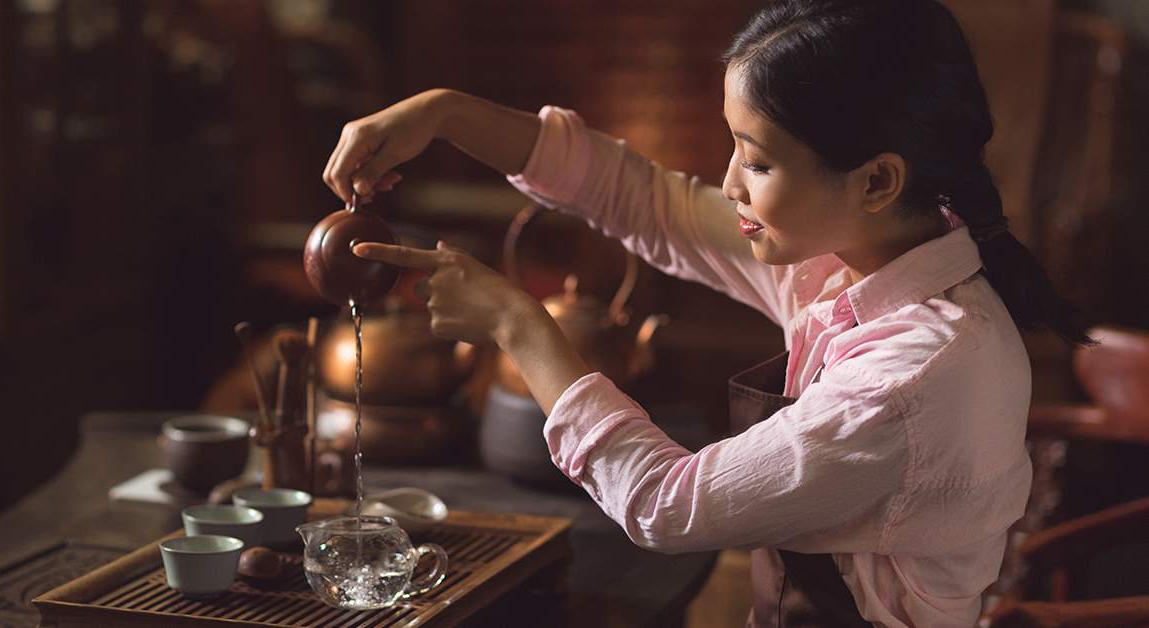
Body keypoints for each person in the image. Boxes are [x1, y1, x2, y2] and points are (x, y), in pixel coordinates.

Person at [322, 0, 1092, 626]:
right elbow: (644, 201)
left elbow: (667, 506)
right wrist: (448, 113)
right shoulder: (860, 257)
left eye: (757, 161)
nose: (728, 185)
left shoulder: (911, 376)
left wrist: (517, 325)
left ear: (876, 179)